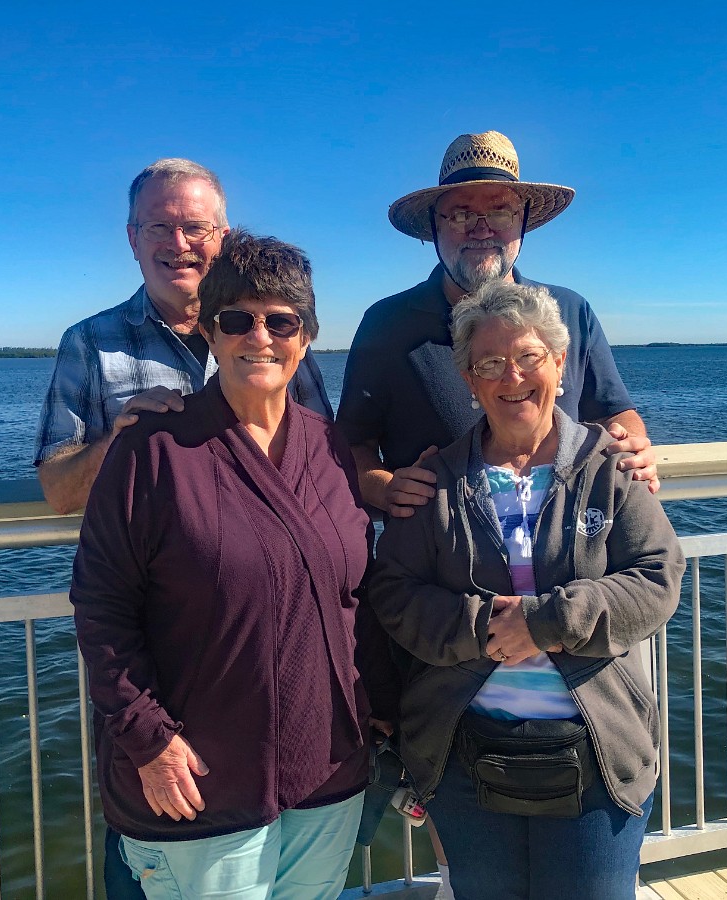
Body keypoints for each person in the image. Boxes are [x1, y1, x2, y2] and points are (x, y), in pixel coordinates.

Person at [71, 229, 376, 899]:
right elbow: (101, 606)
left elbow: (358, 597)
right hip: (199, 780)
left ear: (306, 337)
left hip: (328, 767)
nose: (258, 337)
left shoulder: (330, 447)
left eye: (280, 322)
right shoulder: (155, 448)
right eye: (236, 319)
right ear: (210, 332)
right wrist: (147, 739)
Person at [367, 280, 684, 899]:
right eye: (489, 363)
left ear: (560, 365)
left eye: (529, 356)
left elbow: (657, 576)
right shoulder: (436, 481)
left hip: (597, 751)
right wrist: (485, 628)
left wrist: (544, 623)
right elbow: (394, 594)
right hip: (463, 751)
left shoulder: (610, 468)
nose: (512, 376)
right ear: (469, 380)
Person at [338, 131, 658, 523]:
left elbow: (614, 410)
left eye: (500, 212)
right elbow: (350, 445)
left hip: (567, 547)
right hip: (437, 551)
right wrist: (384, 488)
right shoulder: (386, 323)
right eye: (460, 214)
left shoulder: (571, 311)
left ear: (522, 221)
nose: (481, 229)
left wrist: (633, 444)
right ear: (434, 226)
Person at [35, 158, 332, 515]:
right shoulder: (89, 343)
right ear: (133, 239)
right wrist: (122, 441)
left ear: (222, 240)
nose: (178, 244)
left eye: (195, 228)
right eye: (158, 227)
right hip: (151, 551)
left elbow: (325, 458)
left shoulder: (277, 336)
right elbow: (59, 494)